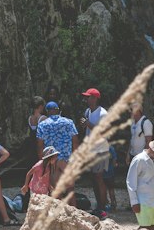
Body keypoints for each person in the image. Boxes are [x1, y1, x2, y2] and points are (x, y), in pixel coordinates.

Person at [126, 133, 154, 230]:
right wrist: (134, 202)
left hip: (153, 200)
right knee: (145, 229)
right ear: (152, 150)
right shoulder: (139, 159)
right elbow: (130, 182)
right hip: (142, 200)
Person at [81, 87, 110, 216]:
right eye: (86, 97)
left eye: (89, 97)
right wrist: (84, 125)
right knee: (93, 178)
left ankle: (103, 208)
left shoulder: (103, 113)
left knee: (99, 178)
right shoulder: (88, 111)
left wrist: (88, 124)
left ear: (95, 98)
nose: (86, 99)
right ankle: (99, 206)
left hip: (101, 150)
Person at [36, 100, 78, 180]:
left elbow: (39, 145)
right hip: (67, 160)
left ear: (47, 112)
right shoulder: (69, 122)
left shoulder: (42, 125)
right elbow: (75, 142)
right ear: (58, 110)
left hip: (51, 161)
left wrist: (42, 162)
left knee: (53, 188)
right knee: (69, 187)